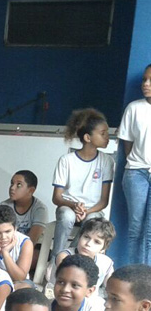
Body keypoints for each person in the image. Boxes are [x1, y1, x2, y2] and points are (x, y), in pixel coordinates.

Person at [52, 108, 115, 256]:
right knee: (67, 215)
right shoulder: (66, 160)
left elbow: (103, 201)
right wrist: (74, 206)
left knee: (93, 220)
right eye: (103, 133)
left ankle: (70, 257)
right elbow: (57, 198)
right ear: (87, 138)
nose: (107, 137)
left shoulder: (107, 161)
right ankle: (55, 260)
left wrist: (86, 210)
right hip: (68, 207)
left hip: (92, 210)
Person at [119, 64, 151, 265]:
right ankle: (132, 279)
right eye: (144, 80)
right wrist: (137, 162)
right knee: (135, 229)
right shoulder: (134, 108)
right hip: (136, 173)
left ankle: (146, 282)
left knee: (150, 232)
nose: (145, 84)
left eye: (150, 80)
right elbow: (127, 144)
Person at [47, 218, 116, 299]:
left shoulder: (106, 263)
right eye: (86, 237)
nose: (88, 243)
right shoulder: (65, 256)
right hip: (60, 299)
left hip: (89, 304)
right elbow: (73, 284)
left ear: (103, 249)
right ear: (80, 237)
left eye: (97, 242)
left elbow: (113, 288)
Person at [0, 204, 34, 283]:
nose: (3, 237)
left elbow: (20, 278)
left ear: (15, 229)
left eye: (8, 231)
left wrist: (5, 253)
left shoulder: (25, 243)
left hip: (17, 283)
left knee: (23, 286)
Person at [0, 170, 48, 249]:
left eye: (18, 185)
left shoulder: (40, 209)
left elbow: (32, 241)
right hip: (8, 247)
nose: (12, 188)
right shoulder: (3, 206)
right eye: (12, 183)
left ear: (31, 190)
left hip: (32, 247)